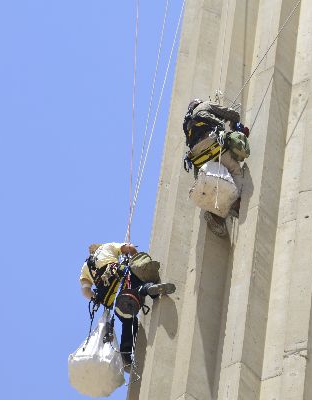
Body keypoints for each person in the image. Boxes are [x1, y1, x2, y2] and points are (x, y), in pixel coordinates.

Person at [80, 242, 175, 365]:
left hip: (109, 298)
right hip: (119, 275)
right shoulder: (107, 246)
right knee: (137, 281)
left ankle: (126, 355)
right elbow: (129, 248)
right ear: (99, 247)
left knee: (128, 319)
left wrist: (96, 298)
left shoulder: (85, 267)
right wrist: (136, 260)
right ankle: (149, 289)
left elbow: (86, 291)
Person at [182, 99, 250, 236]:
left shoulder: (188, 126)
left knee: (211, 179)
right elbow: (233, 114)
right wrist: (233, 124)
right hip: (214, 145)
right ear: (198, 103)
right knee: (236, 171)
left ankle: (217, 214)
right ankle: (235, 203)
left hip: (199, 158)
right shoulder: (205, 105)